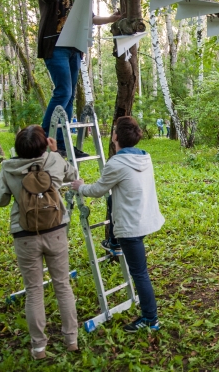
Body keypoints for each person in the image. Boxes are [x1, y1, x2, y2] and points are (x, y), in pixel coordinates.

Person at [0, 125, 79, 359]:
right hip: (56, 231)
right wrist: (55, 152)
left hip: (25, 235)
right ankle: (71, 340)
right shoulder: (55, 160)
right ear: (43, 145)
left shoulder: (8, 167)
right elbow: (72, 174)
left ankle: (39, 347)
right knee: (62, 285)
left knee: (34, 290)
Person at [72, 116, 165, 332]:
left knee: (139, 272)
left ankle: (151, 319)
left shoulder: (116, 163)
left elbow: (98, 190)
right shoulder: (145, 157)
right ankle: (113, 241)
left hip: (131, 226)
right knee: (115, 196)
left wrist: (80, 187)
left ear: (115, 136)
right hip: (145, 217)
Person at [37, 0, 120, 158]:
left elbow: (90, 18)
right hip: (55, 45)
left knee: (70, 95)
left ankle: (63, 144)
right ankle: (44, 138)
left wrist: (113, 18)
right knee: (63, 91)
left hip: (74, 47)